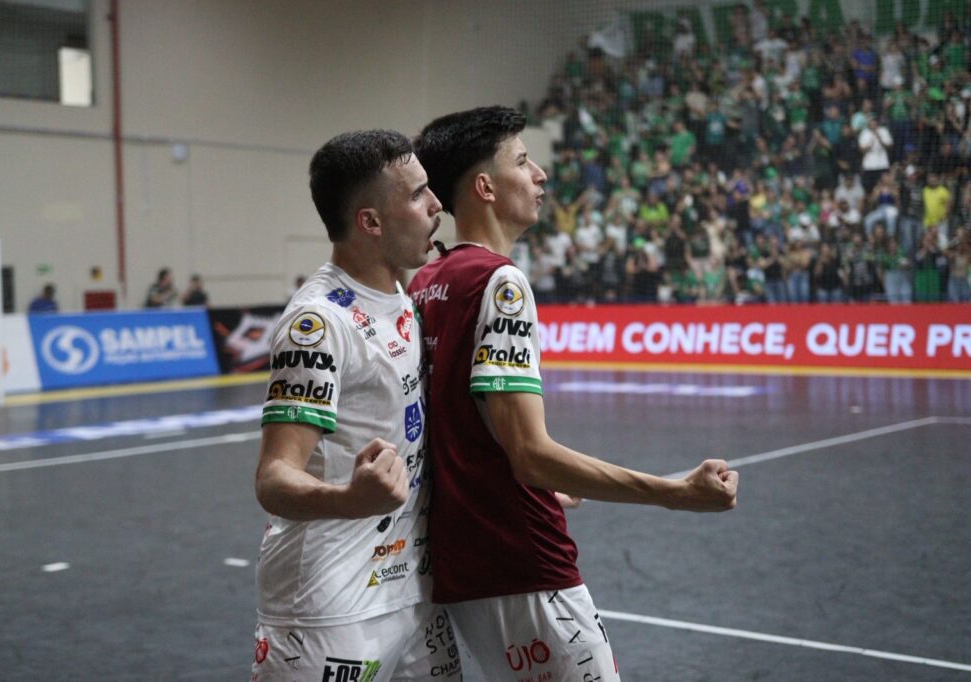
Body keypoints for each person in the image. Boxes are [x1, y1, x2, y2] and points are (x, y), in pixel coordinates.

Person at [408, 106, 738, 680]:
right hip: (524, 564)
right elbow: (529, 454)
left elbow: (455, 434)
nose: (539, 174)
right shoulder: (500, 284)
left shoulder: (426, 282)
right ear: (485, 187)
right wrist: (675, 492)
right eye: (522, 161)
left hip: (461, 569)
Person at [251, 130, 460, 680]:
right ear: (370, 222)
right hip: (328, 608)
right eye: (417, 194)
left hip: (414, 594)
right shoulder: (319, 323)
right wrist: (350, 498)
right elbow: (273, 477)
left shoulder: (402, 299)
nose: (437, 205)